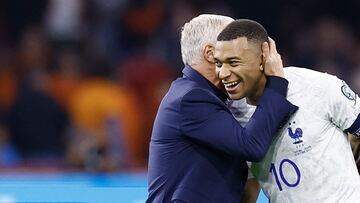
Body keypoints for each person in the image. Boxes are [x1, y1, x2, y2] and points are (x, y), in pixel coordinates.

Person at [146, 14, 298, 203]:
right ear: (210, 53)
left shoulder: (208, 96)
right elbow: (251, 146)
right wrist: (276, 81)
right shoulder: (191, 98)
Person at [214, 19, 360, 202]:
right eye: (219, 64)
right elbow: (249, 189)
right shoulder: (227, 117)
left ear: (262, 58)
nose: (223, 73)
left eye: (233, 63)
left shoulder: (318, 87)